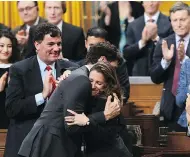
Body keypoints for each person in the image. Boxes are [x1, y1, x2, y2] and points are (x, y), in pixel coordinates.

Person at [18, 44, 123, 157]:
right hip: (51, 145)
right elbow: (72, 124)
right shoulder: (82, 80)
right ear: (102, 60)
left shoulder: (81, 76)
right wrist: (103, 116)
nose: (113, 73)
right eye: (114, 68)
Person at [4, 23, 79, 157]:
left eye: (59, 44)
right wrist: (42, 95)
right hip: (26, 144)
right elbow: (12, 109)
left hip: (60, 144)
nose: (56, 48)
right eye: (51, 44)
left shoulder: (71, 69)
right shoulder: (19, 70)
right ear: (37, 45)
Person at [65, 62, 132, 157]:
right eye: (91, 81)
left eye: (99, 83)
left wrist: (88, 121)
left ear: (107, 85)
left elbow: (106, 135)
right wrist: (68, 71)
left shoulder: (109, 101)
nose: (92, 86)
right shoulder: (91, 97)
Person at [150, 2, 190, 131]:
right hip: (170, 108)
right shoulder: (164, 43)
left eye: (182, 20)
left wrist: (185, 60)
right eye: (175, 20)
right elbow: (155, 78)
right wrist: (165, 62)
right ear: (171, 22)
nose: (178, 24)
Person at [68, 27, 130, 102]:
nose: (95, 49)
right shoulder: (79, 66)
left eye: (98, 46)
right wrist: (66, 71)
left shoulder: (116, 64)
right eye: (91, 45)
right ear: (86, 44)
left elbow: (124, 93)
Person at [123, 1, 173, 76]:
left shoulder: (170, 23)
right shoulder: (133, 25)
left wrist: (156, 38)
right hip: (139, 75)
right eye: (147, 0)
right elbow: (126, 53)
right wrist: (142, 42)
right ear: (142, 3)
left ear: (160, 2)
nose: (150, 3)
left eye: (153, 0)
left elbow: (172, 49)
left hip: (163, 75)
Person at [0, 30, 20, 129]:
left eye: (9, 46)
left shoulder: (19, 68)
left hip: (14, 122)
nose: (5, 50)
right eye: (1, 45)